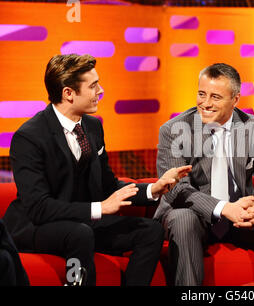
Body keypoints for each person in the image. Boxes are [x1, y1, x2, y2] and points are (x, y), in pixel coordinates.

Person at [2, 54, 192, 286]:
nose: (100, 90)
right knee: (79, 234)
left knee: (150, 231)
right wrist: (99, 208)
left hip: (84, 221)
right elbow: (39, 207)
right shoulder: (29, 137)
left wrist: (154, 188)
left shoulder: (92, 127)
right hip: (37, 225)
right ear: (68, 93)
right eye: (93, 86)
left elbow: (109, 186)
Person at [155, 63, 254, 286]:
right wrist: (225, 209)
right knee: (182, 218)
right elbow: (177, 190)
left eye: (215, 97)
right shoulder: (173, 130)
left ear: (235, 99)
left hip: (242, 218)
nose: (205, 103)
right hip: (196, 216)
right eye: (201, 94)